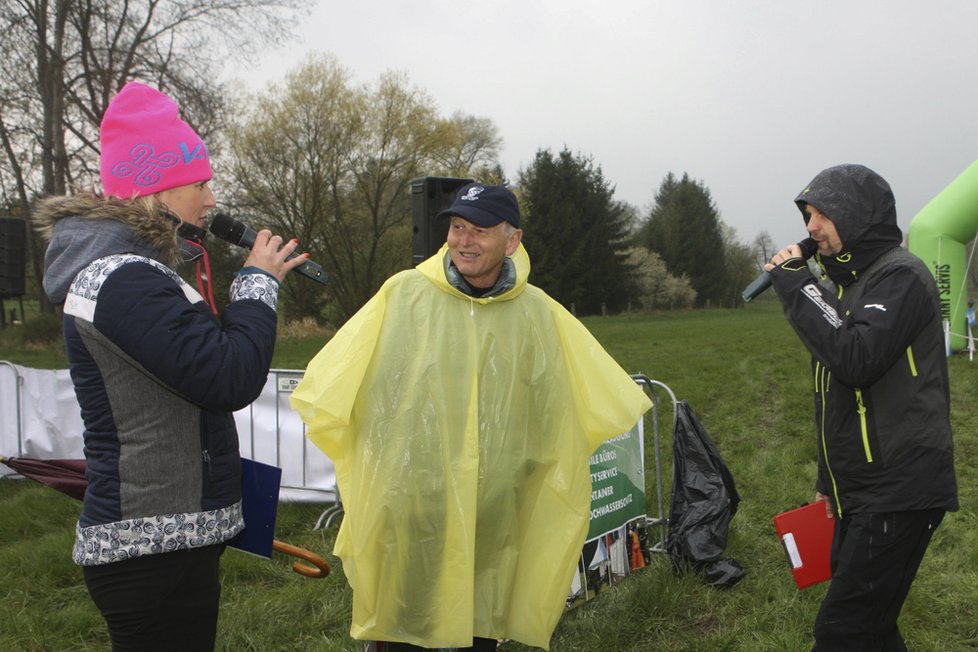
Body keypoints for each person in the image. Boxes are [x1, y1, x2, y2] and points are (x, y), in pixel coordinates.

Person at [290, 183, 651, 651]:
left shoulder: (538, 314)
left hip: (494, 511)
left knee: (479, 625)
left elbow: (573, 403)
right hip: (414, 504)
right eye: (458, 227)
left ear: (512, 241)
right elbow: (337, 383)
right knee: (402, 627)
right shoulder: (403, 295)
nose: (464, 240)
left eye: (480, 230)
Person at [36, 81, 307, 651]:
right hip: (146, 552)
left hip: (170, 542)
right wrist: (258, 283)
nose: (211, 200)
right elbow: (227, 375)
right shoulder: (117, 277)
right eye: (201, 183)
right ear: (155, 188)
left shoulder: (134, 271)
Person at [764, 164, 958, 651]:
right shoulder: (849, 288)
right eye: (808, 216)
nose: (810, 227)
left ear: (855, 214)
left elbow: (856, 358)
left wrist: (800, 285)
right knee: (873, 628)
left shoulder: (902, 278)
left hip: (900, 487)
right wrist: (830, 483)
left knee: (844, 631)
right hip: (862, 488)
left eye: (820, 214)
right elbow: (838, 398)